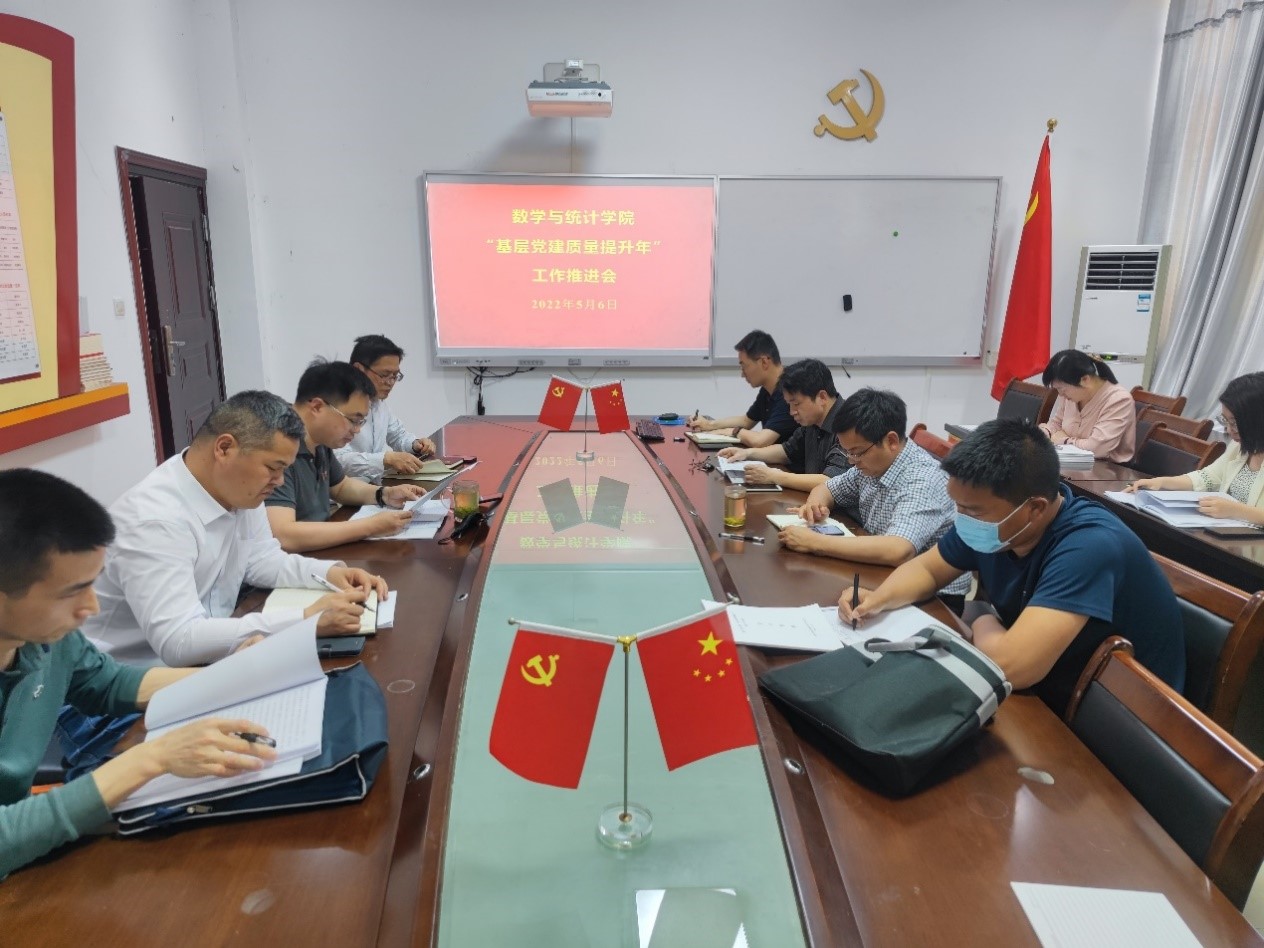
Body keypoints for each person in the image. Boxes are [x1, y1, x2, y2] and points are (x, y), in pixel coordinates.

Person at [0, 469, 277, 877]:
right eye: (72, 592)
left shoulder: (47, 636)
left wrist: (235, 674)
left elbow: (107, 683)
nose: (91, 607)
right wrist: (154, 757)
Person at [837, 419, 1184, 713]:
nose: (962, 519)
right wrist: (877, 600)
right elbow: (927, 570)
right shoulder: (997, 522)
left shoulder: (1089, 546)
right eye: (958, 506)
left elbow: (1011, 667)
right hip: (1051, 688)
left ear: (1035, 508)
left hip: (1122, 720)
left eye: (972, 511)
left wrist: (981, 616)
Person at [84, 390, 386, 667]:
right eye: (273, 467)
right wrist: (306, 620)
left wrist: (329, 573)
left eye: (284, 469)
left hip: (213, 649)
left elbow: (263, 560)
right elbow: (179, 640)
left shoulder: (239, 490)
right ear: (224, 448)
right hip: (133, 683)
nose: (280, 481)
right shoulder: (156, 520)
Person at [791, 388, 970, 609]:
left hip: (933, 597)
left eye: (856, 452)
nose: (851, 461)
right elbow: (826, 487)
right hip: (883, 573)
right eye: (848, 452)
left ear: (891, 441)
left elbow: (898, 550)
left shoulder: (923, 478)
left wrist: (814, 542)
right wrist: (815, 506)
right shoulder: (871, 465)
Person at [266, 360, 425, 553]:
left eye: (361, 421)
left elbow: (340, 487)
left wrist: (385, 494)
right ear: (317, 407)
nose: (357, 430)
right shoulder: (278, 445)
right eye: (353, 420)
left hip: (320, 550)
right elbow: (283, 535)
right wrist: (370, 526)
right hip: (292, 561)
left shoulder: (319, 440)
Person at [1128, 372, 1264, 523]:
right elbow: (1206, 477)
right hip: (1229, 530)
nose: (1228, 430)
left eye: (1235, 423)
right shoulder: (1241, 447)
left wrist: (1236, 510)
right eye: (1225, 421)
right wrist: (1161, 483)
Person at [716, 359, 848, 490]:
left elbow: (832, 482)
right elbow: (786, 451)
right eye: (789, 404)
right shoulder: (812, 422)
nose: (791, 412)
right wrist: (747, 453)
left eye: (796, 404)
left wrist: (774, 476)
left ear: (822, 397)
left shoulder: (849, 424)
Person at [335, 334, 436, 480]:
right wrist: (385, 459)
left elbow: (398, 435)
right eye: (384, 375)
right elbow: (338, 460)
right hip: (343, 492)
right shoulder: (336, 403)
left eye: (395, 376)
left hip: (374, 487)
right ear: (358, 369)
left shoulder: (378, 403)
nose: (390, 382)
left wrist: (416, 445)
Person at [686, 329, 799, 447]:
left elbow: (760, 440)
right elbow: (746, 421)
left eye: (744, 366)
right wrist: (709, 425)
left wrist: (729, 432)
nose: (742, 374)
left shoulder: (789, 391)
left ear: (764, 362)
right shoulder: (768, 390)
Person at [1037, 349, 1136, 462]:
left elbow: (1097, 448)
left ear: (1085, 380)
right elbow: (1057, 423)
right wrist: (1045, 432)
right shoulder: (1070, 396)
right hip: (1072, 462)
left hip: (1106, 468)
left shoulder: (1118, 400)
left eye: (1062, 389)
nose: (1060, 394)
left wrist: (1064, 440)